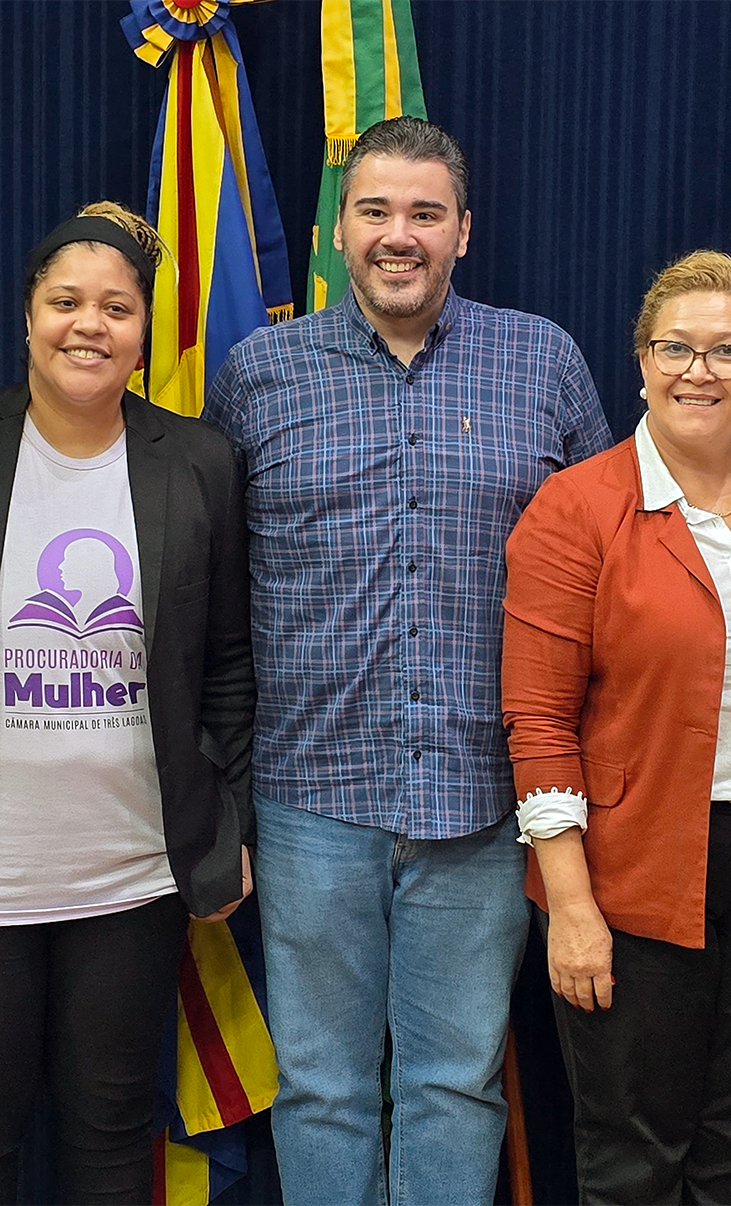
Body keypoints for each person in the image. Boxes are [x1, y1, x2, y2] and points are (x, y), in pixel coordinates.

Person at [203, 115, 613, 1206]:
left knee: (454, 1083)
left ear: (462, 232)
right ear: (339, 230)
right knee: (322, 1085)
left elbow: (606, 578)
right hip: (308, 804)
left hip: (485, 801)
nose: (400, 235)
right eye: (375, 210)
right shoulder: (258, 375)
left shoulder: (544, 363)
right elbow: (215, 600)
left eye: (424, 214)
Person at [0, 202, 254, 1206]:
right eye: (66, 302)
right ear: (27, 314)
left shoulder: (198, 462)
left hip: (130, 874)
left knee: (114, 1135)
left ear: (142, 330)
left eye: (115, 308)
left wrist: (229, 825)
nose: (89, 325)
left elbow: (226, 664)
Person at [502, 250, 731, 1205]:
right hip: (634, 872)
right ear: (641, 360)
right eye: (676, 348)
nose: (700, 371)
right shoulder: (575, 509)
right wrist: (572, 909)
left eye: (728, 350)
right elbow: (538, 722)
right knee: (633, 1154)